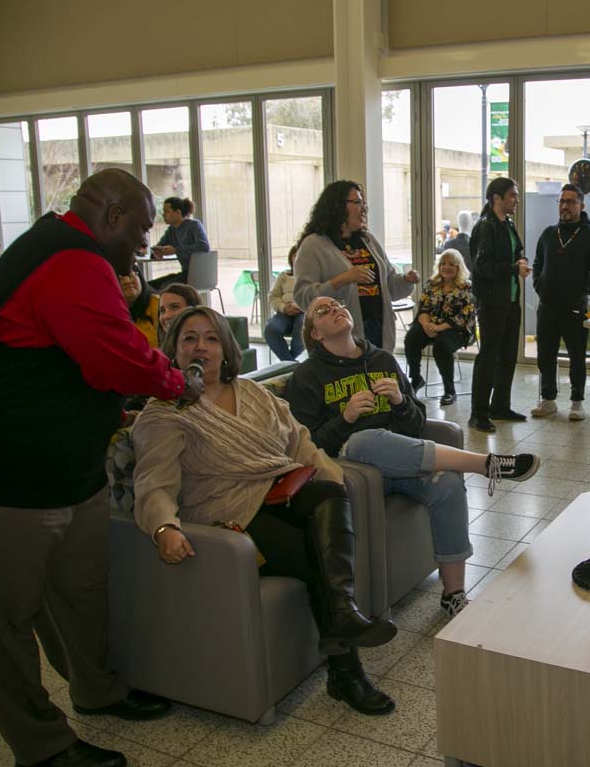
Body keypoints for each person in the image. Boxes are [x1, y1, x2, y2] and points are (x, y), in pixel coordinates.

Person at [0, 169, 203, 767]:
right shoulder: (69, 256)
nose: (146, 247)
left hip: (60, 464)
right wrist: (179, 384)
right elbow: (116, 356)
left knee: (80, 587)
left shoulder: (73, 254)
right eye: (144, 230)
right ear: (113, 215)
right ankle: (42, 745)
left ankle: (98, 690)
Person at [131, 305, 396, 716]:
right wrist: (164, 527)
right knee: (316, 553)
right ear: (174, 351)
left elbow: (302, 445)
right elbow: (153, 481)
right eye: (189, 339)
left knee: (329, 493)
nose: (201, 346)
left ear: (225, 348)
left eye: (211, 337)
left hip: (281, 488)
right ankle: (346, 670)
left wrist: (335, 483)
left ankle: (342, 615)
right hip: (228, 512)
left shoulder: (254, 394)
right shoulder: (164, 411)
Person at [285, 296, 540, 617]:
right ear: (316, 335)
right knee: (364, 438)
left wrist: (400, 402)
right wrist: (345, 419)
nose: (335, 309)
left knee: (447, 484)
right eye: (323, 311)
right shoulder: (307, 376)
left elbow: (418, 424)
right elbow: (306, 446)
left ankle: (453, 595)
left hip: (400, 463)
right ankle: (484, 464)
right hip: (351, 472)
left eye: (337, 304)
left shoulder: (381, 360)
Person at [292, 180, 419, 351]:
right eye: (357, 202)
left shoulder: (368, 240)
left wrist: (406, 281)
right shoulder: (313, 245)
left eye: (363, 203)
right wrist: (342, 280)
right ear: (337, 206)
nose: (364, 209)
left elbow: (390, 286)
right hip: (340, 339)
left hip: (378, 329)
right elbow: (303, 298)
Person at [530, 183, 590, 422]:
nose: (565, 206)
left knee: (576, 356)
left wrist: (583, 289)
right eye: (562, 201)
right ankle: (548, 399)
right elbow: (537, 265)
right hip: (548, 306)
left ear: (581, 205)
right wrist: (539, 285)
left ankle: (577, 402)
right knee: (545, 355)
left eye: (570, 202)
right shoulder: (548, 233)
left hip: (574, 306)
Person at [468, 177, 530, 433]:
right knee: (489, 356)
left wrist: (522, 260)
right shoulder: (486, 226)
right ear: (497, 198)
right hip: (492, 301)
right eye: (512, 195)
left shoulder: (508, 224)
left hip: (511, 299)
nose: (516, 200)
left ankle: (500, 405)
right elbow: (482, 267)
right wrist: (513, 268)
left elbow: (518, 251)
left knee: (507, 355)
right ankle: (479, 412)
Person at [403, 248, 476, 405]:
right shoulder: (432, 284)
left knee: (441, 346)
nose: (446, 267)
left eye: (451, 264)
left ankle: (449, 390)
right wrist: (427, 324)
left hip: (456, 329)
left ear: (458, 267)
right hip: (430, 324)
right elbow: (423, 308)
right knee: (411, 338)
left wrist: (438, 328)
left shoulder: (466, 287)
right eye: (443, 263)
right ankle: (416, 379)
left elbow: (463, 317)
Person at [148, 196, 210, 290]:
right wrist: (155, 252)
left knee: (165, 287)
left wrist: (176, 250)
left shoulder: (194, 225)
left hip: (199, 275)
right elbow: (159, 246)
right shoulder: (172, 230)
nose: (163, 215)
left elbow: (204, 247)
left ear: (178, 212)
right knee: (149, 285)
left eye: (167, 212)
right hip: (185, 274)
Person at [265, 245, 305, 361]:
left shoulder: (312, 276)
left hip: (304, 312)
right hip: (284, 312)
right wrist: (284, 307)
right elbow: (273, 296)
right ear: (290, 259)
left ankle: (287, 364)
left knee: (302, 329)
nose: (297, 258)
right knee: (271, 330)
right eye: (295, 256)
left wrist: (300, 307)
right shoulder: (284, 276)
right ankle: (290, 364)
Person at [120, 264, 160, 346]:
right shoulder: (106, 312)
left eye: (131, 275)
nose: (127, 281)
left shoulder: (158, 304)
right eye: (120, 278)